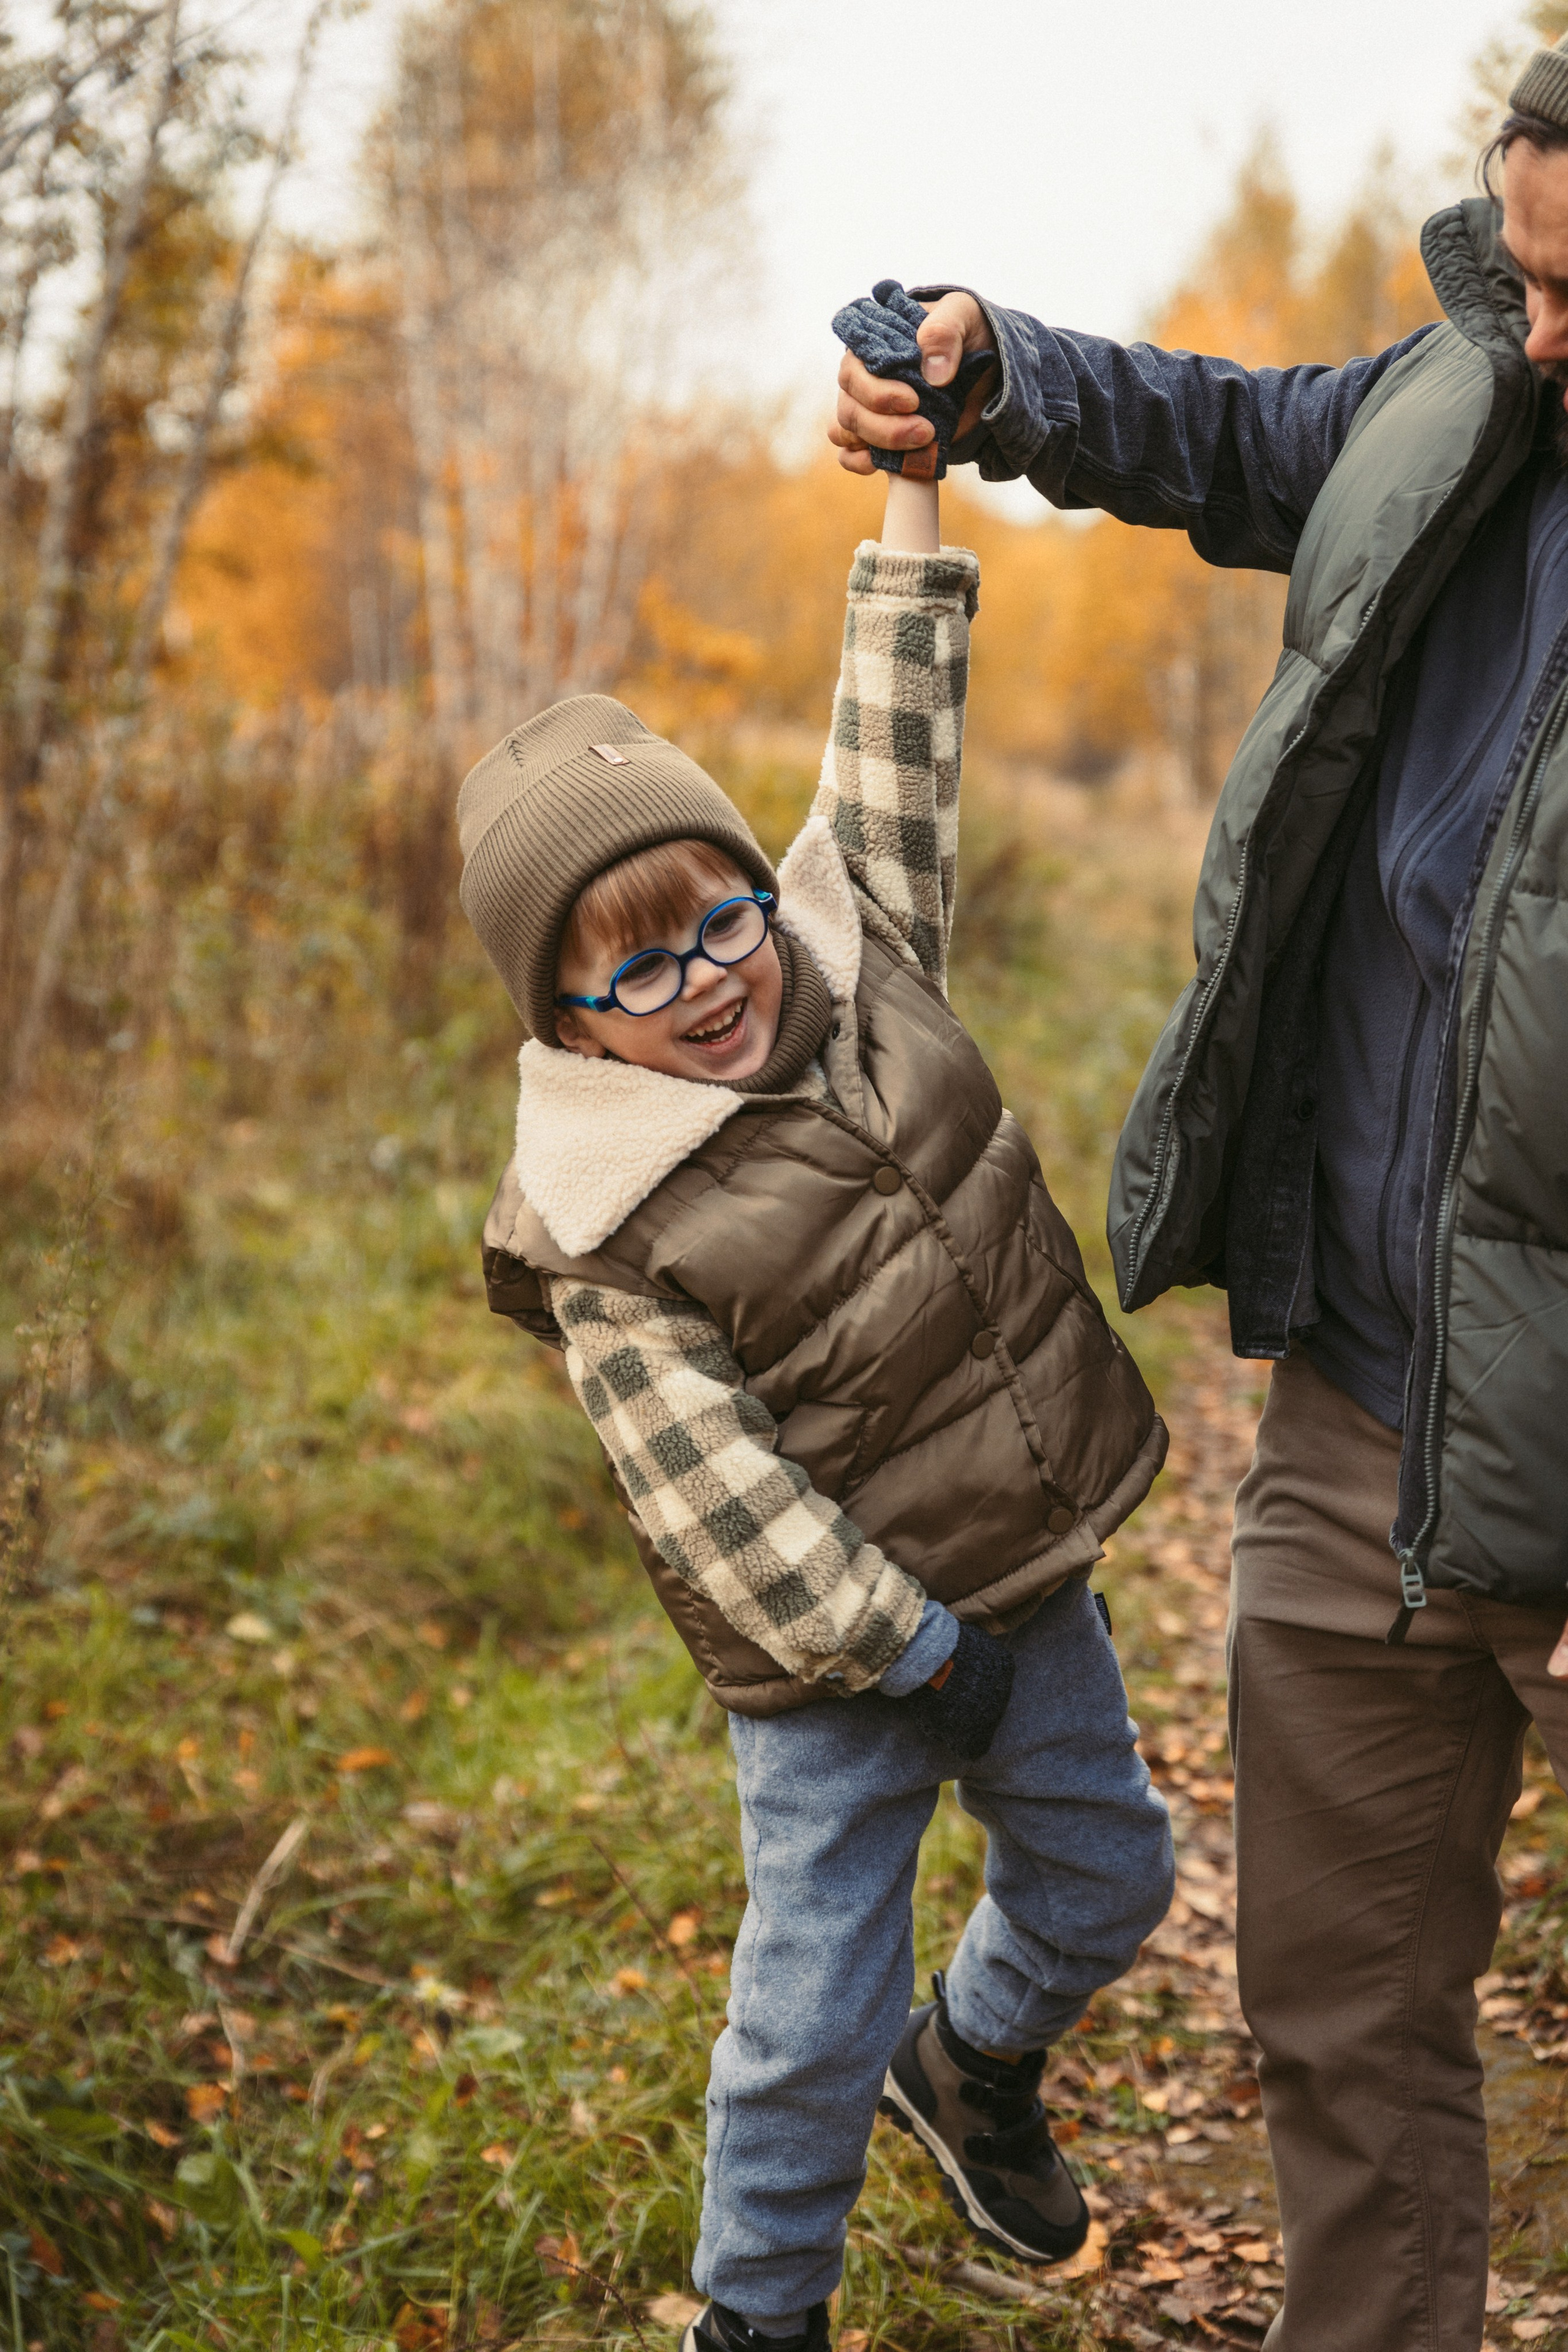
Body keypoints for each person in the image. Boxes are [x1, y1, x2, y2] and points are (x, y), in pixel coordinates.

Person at [831, 34, 1568, 2352]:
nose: (1542, 334)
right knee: (1346, 2041)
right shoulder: (1470, 408)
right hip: (1367, 1412)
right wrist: (1000, 372)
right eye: (1528, 271)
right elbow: (1245, 435)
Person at [458, 456, 1174, 2351]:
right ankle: (758, 2315)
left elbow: (898, 735)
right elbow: (721, 1507)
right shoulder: (607, 1227)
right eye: (634, 970)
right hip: (849, 1668)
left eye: (718, 921)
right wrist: (908, 1649)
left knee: (1114, 1878)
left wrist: (919, 500)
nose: (705, 983)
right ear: (567, 1023)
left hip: (1024, 1584)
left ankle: (974, 2067)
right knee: (806, 2020)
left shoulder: (860, 960)